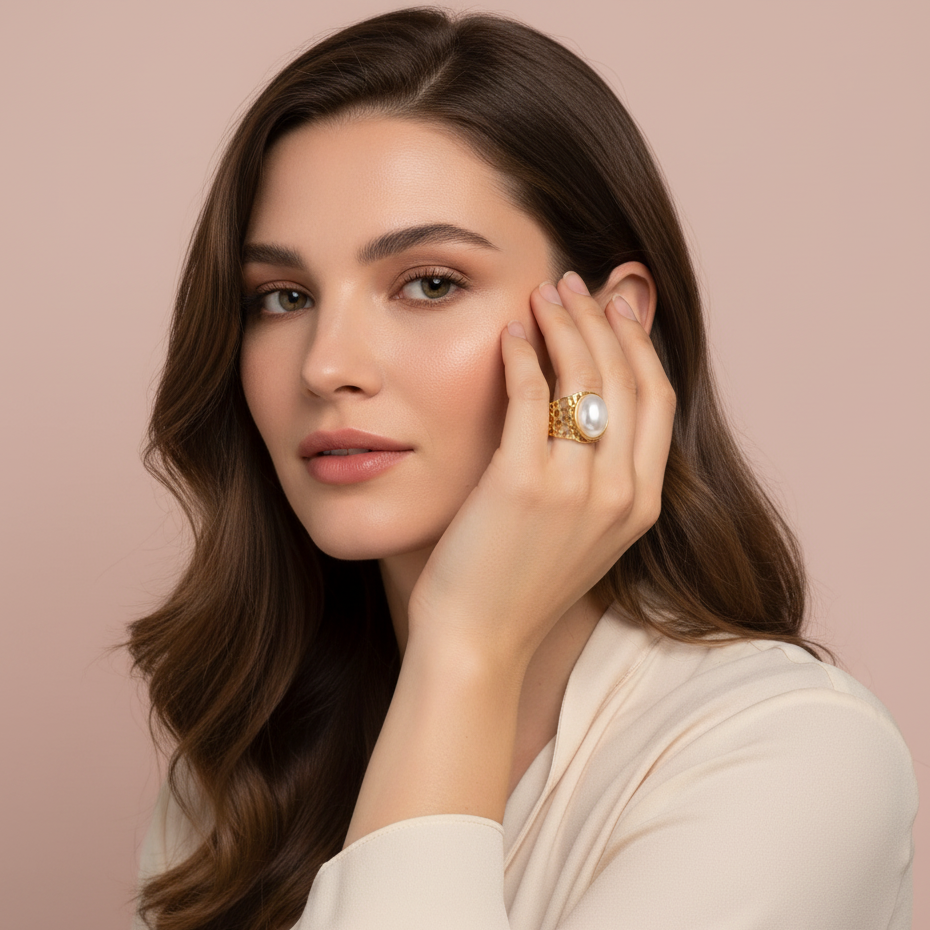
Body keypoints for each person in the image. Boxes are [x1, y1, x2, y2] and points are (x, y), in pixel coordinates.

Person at [127, 7, 917, 930]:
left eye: (430, 282)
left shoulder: (794, 756)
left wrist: (465, 645)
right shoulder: (249, 761)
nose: (325, 363)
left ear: (611, 327)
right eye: (283, 297)